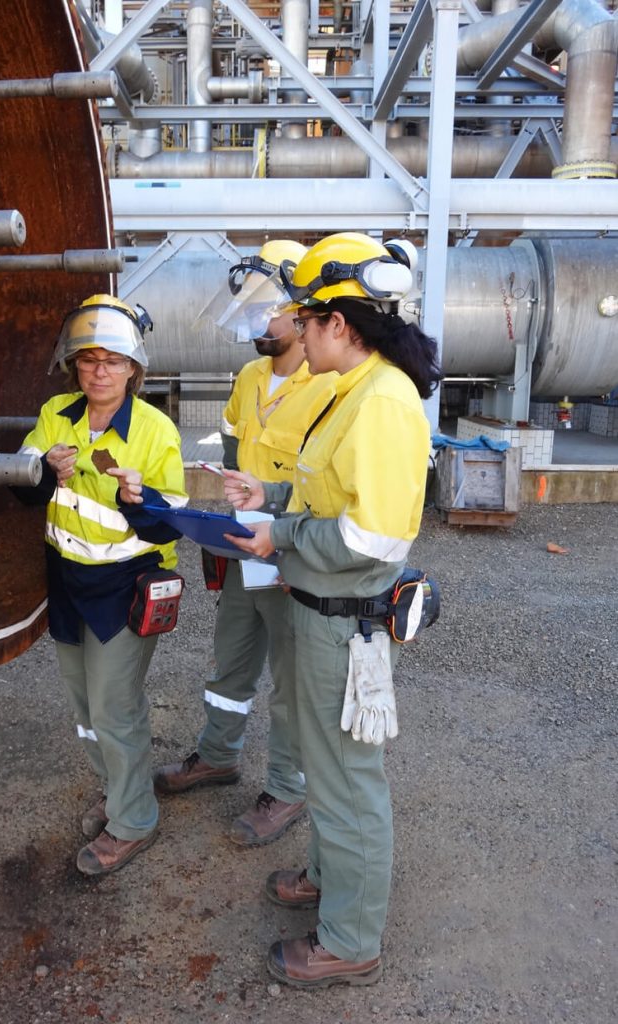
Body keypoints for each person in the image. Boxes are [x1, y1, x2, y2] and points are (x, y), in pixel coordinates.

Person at [222, 232, 441, 987]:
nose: (295, 328)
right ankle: (327, 874)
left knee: (348, 781)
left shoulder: (380, 401)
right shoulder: (354, 391)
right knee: (327, 766)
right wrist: (272, 498)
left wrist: (276, 531)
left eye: (305, 317)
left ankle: (349, 939)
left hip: (343, 616)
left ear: (337, 326)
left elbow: (370, 535)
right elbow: (331, 496)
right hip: (320, 612)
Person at [154, 240, 337, 846]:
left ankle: (287, 788)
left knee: (292, 683)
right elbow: (234, 442)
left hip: (295, 556)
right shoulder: (251, 375)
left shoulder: (331, 385)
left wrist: (272, 505)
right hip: (244, 551)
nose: (257, 325)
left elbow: (331, 491)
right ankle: (218, 755)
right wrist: (234, 497)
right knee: (228, 664)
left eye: (268, 312)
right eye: (251, 311)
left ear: (301, 313)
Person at [14, 294, 188, 876]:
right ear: (74, 366)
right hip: (66, 582)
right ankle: (117, 791)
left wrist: (144, 497)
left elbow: (174, 523)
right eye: (88, 360)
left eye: (112, 360)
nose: (100, 371)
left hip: (124, 584)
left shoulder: (155, 430)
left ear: (133, 368)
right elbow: (20, 485)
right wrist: (41, 472)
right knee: (84, 706)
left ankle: (134, 821)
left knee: (115, 707)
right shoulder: (55, 415)